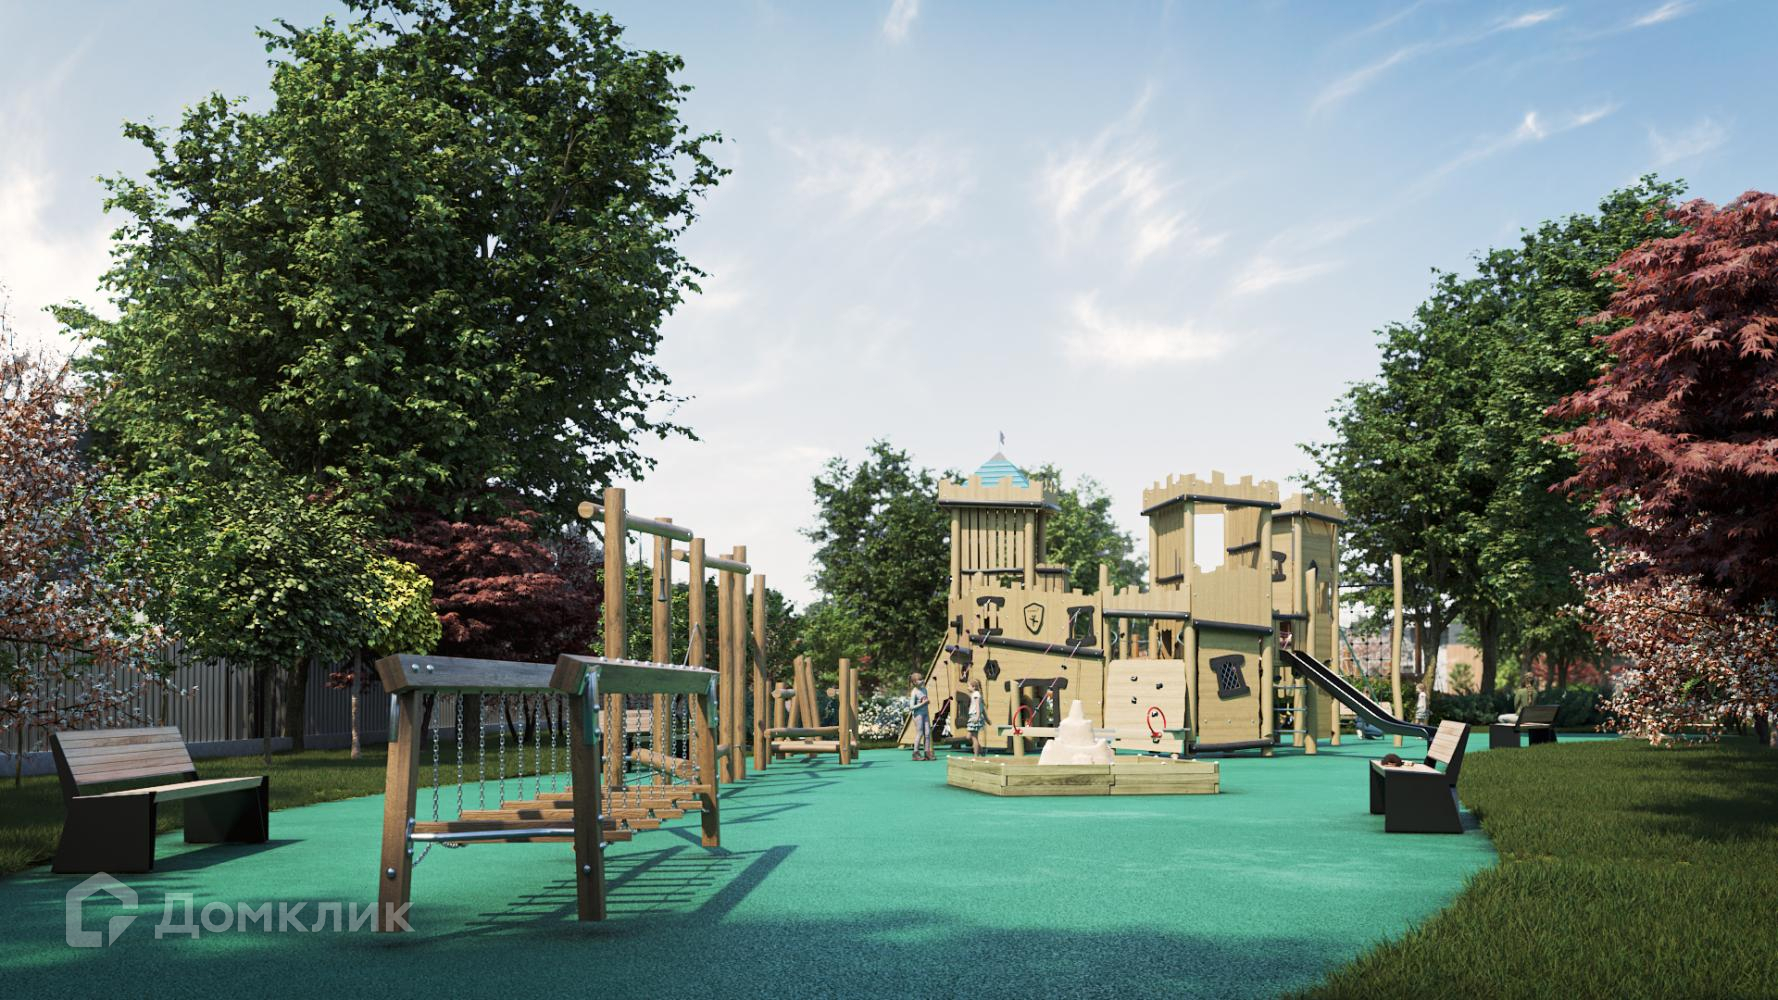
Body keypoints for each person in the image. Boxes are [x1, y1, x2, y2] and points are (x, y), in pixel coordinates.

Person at [909, 671, 932, 761]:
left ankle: (927, 752)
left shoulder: (924, 690)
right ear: (914, 682)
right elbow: (911, 707)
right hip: (918, 715)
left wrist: (926, 703)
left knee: (927, 733)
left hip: (925, 713)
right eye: (919, 680)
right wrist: (923, 704)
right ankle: (915, 753)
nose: (922, 681)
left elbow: (925, 700)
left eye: (922, 679)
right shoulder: (914, 692)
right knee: (920, 733)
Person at [966, 678, 986, 757]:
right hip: (972, 717)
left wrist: (977, 717)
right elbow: (982, 707)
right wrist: (987, 719)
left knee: (974, 738)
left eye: (969, 686)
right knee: (968, 737)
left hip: (975, 716)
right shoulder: (975, 694)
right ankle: (981, 751)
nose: (967, 688)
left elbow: (978, 706)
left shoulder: (976, 694)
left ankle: (976, 755)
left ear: (973, 687)